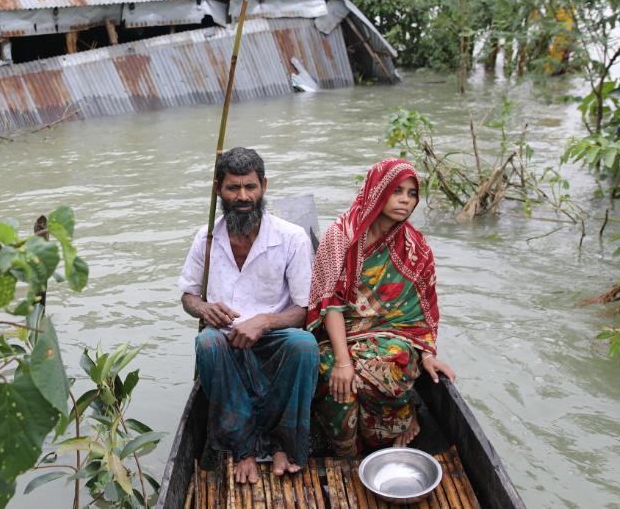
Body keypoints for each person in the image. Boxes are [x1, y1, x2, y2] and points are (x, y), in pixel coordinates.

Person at [178, 147, 319, 484]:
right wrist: (203, 307)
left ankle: (286, 444)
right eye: (233, 188)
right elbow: (188, 296)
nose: (243, 197)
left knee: (305, 346)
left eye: (250, 187)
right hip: (226, 337)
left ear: (264, 187)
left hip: (274, 336)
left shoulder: (291, 237)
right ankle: (243, 448)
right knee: (207, 344)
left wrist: (265, 321)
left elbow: (302, 310)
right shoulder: (206, 238)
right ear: (218, 190)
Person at [306, 158, 457, 457]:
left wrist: (427, 354)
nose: (404, 199)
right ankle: (348, 451)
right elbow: (330, 303)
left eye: (411, 194)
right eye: (396, 190)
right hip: (338, 335)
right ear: (377, 190)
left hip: (392, 337)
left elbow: (423, 310)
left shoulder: (416, 248)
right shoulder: (341, 236)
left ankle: (394, 425)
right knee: (335, 381)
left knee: (393, 365)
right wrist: (342, 361)